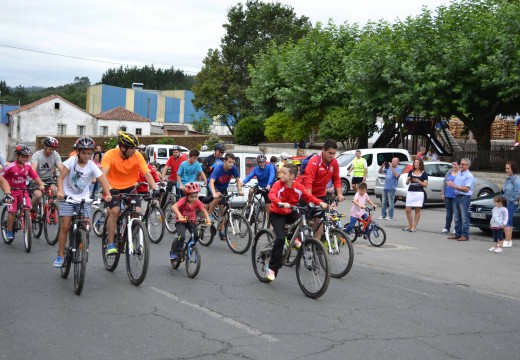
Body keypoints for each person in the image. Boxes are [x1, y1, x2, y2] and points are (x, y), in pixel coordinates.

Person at [54, 137, 112, 267]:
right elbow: (61, 178)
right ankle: (60, 255)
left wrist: (108, 194)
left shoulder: (92, 165)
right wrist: (61, 191)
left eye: (89, 153)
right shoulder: (71, 162)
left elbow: (102, 180)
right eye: (84, 153)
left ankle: (82, 244)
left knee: (87, 225)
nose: (86, 156)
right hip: (68, 197)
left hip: (83, 199)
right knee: (65, 226)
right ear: (78, 152)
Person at [265, 163, 328, 282]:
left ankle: (295, 239)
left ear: (292, 176)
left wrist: (320, 203)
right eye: (281, 172)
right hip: (277, 213)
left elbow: (309, 196)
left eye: (284, 173)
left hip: (289, 212)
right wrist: (280, 202)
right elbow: (271, 195)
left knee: (301, 219)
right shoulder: (278, 184)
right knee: (280, 238)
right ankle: (271, 268)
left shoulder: (298, 187)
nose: (281, 174)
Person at [101, 131, 160, 255]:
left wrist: (155, 188)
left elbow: (147, 173)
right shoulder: (110, 155)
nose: (134, 151)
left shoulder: (137, 156)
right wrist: (109, 190)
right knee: (115, 211)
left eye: (135, 148)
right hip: (112, 187)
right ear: (122, 148)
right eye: (132, 148)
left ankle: (129, 236)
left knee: (137, 211)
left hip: (130, 187)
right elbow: (103, 175)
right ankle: (111, 243)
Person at [0, 145, 45, 241]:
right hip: (12, 192)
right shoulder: (10, 167)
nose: (25, 158)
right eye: (23, 156)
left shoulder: (28, 166)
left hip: (23, 191)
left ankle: (26, 220)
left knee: (28, 208)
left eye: (27, 156)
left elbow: (35, 176)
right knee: (12, 212)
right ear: (18, 156)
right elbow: (1, 177)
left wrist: (41, 184)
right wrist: (6, 190)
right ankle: (9, 230)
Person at [169, 182, 212, 261]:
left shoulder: (197, 202)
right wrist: (179, 215)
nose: (194, 199)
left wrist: (207, 218)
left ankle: (190, 247)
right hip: (181, 221)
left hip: (191, 221)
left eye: (196, 196)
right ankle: (174, 252)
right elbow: (174, 207)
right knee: (181, 236)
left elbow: (203, 210)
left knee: (197, 233)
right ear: (187, 195)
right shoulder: (183, 200)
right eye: (192, 197)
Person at [206, 152, 244, 237]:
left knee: (223, 210)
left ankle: (222, 229)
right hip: (213, 185)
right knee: (217, 198)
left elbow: (238, 180)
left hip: (223, 188)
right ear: (225, 161)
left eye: (233, 162)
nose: (231, 164)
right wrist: (214, 192)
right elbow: (211, 181)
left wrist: (240, 190)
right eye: (229, 162)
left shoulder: (234, 168)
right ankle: (209, 214)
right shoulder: (219, 168)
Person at [30, 136, 64, 213]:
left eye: (53, 149)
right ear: (45, 147)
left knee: (55, 190)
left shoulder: (55, 154)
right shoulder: (37, 155)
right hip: (36, 178)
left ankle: (52, 207)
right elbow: (33, 169)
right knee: (38, 195)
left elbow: (61, 168)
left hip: (48, 178)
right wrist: (38, 181)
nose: (52, 152)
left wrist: (65, 177)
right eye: (50, 149)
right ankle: (32, 210)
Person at [446, 157, 475, 241]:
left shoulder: (469, 176)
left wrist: (455, 186)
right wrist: (451, 183)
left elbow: (466, 189)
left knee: (464, 218)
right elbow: (455, 184)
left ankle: (465, 235)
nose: (461, 165)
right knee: (457, 217)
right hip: (456, 196)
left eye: (463, 164)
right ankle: (458, 234)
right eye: (460, 164)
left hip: (464, 198)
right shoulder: (459, 173)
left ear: (468, 166)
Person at [242, 154, 275, 219]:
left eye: (263, 162)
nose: (261, 164)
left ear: (265, 162)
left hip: (267, 188)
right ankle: (249, 205)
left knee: (268, 208)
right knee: (251, 190)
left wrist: (269, 184)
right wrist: (243, 182)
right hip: (260, 186)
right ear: (258, 163)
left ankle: (270, 226)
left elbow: (272, 175)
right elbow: (249, 176)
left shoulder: (270, 167)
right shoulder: (256, 169)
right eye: (260, 162)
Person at [403, 158, 428, 232]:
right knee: (408, 210)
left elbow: (426, 185)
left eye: (417, 163)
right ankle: (410, 225)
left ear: (420, 164)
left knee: (417, 210)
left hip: (419, 193)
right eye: (415, 163)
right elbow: (407, 183)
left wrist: (418, 181)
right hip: (411, 192)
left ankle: (414, 226)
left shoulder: (424, 173)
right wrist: (408, 180)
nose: (416, 164)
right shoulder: (411, 172)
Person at [501, 160, 520, 248]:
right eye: (506, 168)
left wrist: (510, 201)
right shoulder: (508, 179)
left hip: (512, 203)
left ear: (513, 169)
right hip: (507, 202)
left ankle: (508, 241)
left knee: (507, 220)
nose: (506, 170)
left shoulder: (516, 179)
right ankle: (508, 240)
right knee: (509, 221)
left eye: (508, 168)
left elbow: (517, 192)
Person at [440, 161, 459, 234]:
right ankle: (446, 228)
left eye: (455, 164)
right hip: (448, 195)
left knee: (456, 213)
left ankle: (456, 228)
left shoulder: (460, 174)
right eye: (453, 164)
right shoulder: (449, 172)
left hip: (455, 196)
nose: (453, 166)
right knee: (448, 213)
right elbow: (444, 183)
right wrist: (443, 193)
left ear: (458, 165)